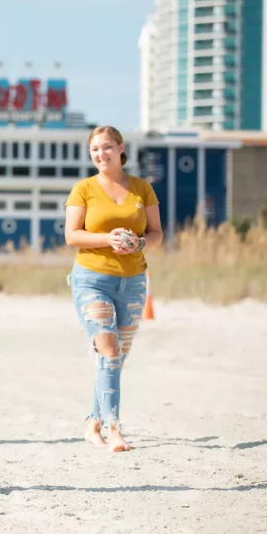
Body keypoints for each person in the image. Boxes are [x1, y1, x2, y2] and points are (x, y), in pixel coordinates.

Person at [64, 125, 163, 453]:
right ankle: (114, 429)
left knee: (115, 358)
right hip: (92, 279)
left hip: (133, 281)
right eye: (94, 150)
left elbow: (157, 233)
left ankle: (92, 424)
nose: (100, 154)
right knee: (108, 350)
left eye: (106, 147)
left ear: (120, 148)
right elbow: (72, 235)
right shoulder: (84, 189)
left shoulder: (141, 188)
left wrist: (139, 242)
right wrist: (108, 239)